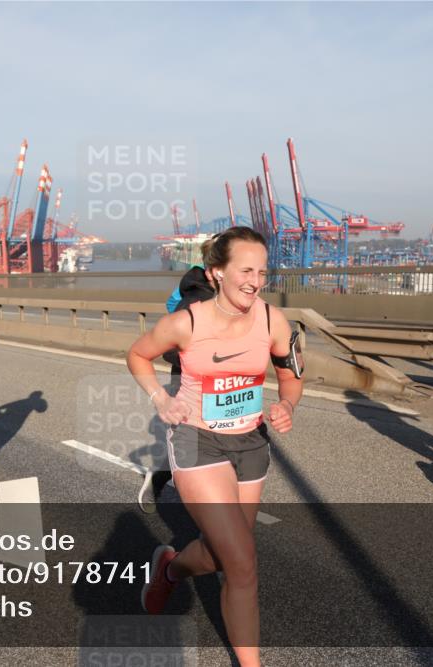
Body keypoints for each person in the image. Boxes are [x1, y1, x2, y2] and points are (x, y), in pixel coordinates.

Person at [127, 227, 303, 667]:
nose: (255, 280)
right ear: (216, 273)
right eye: (245, 270)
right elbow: (137, 355)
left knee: (223, 553)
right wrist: (160, 399)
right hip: (197, 440)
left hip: (250, 443)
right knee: (243, 562)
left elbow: (291, 373)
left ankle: (169, 568)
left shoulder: (271, 320)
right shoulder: (187, 322)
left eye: (261, 272)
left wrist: (287, 404)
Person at [138, 263, 216, 513]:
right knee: (191, 436)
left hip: (217, 374)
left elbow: (171, 305)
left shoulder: (187, 285)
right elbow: (174, 318)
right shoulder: (199, 293)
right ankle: (162, 476)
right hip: (188, 371)